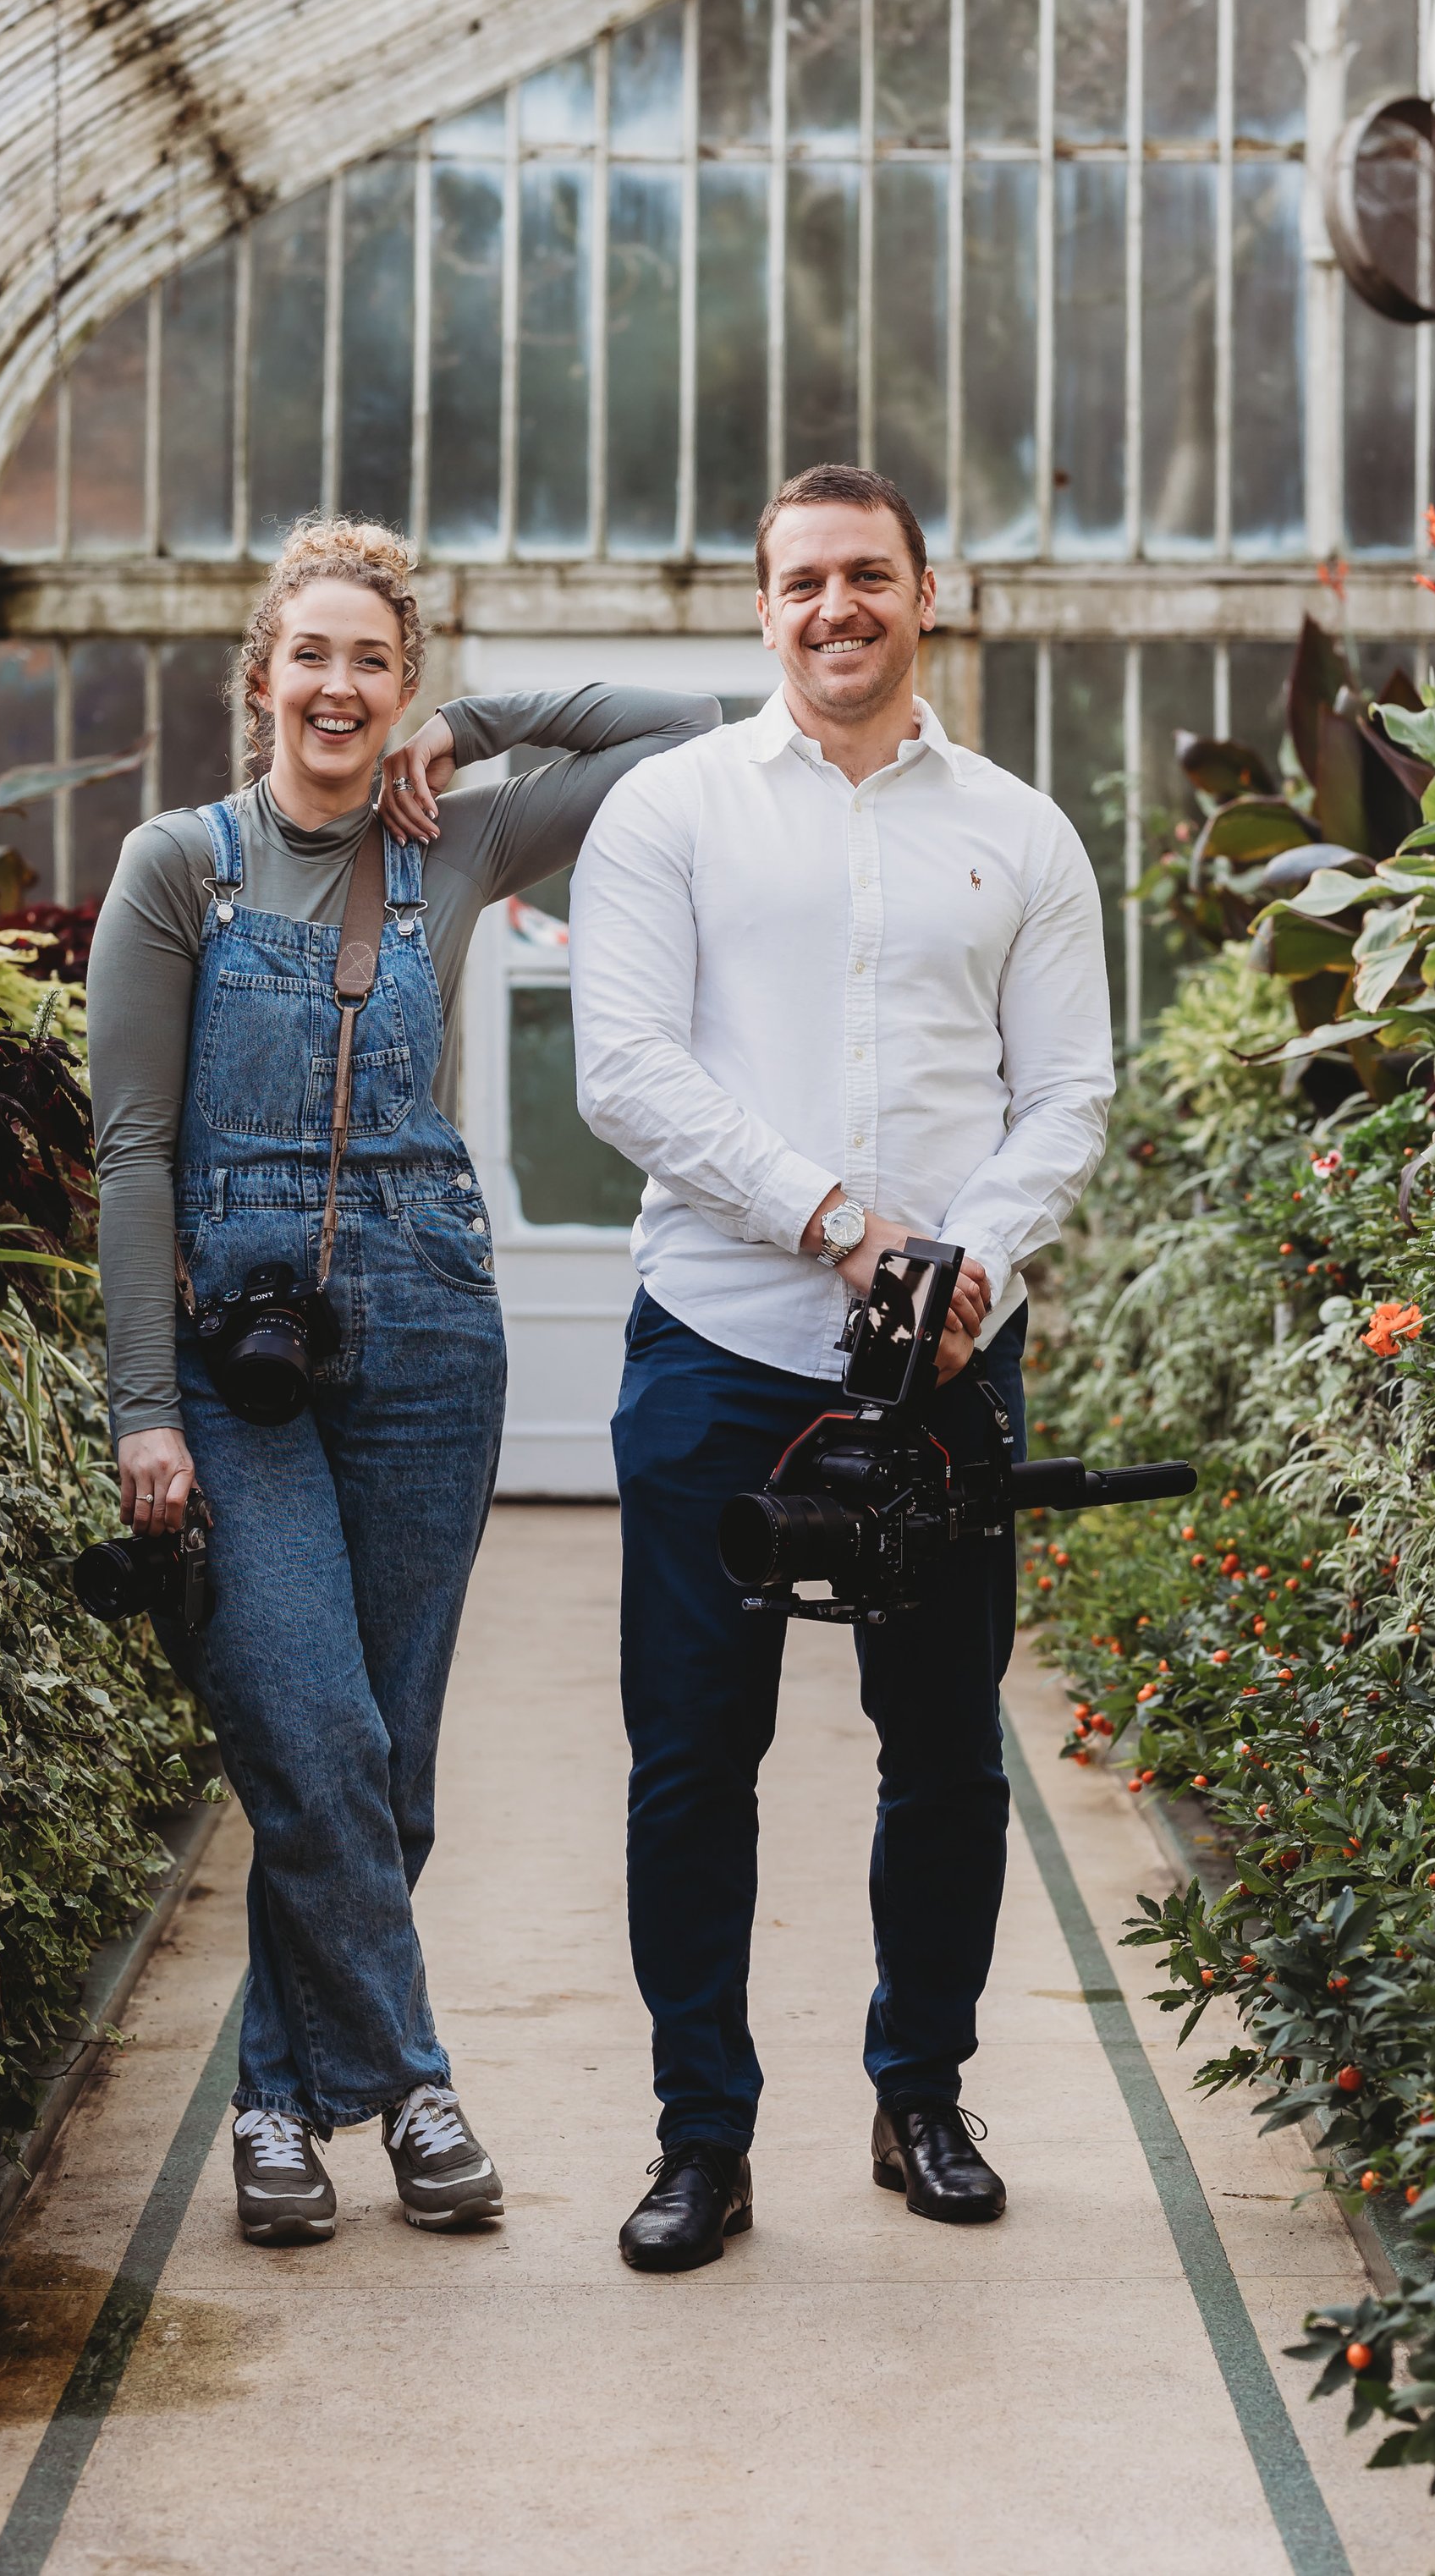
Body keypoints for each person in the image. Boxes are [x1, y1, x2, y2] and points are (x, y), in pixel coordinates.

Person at [86, 515, 717, 2248]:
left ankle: (279, 2115)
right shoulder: (177, 869)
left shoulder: (463, 834)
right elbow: (132, 1155)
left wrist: (490, 722)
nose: (339, 686)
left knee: (396, 1757)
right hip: (235, 1347)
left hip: (430, 1324)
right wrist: (142, 1408)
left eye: (374, 660)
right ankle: (416, 2083)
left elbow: (688, 733)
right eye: (312, 656)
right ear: (261, 681)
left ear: (401, 687)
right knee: (315, 1732)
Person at [569, 463, 1113, 2272]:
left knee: (946, 1753)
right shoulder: (670, 814)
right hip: (723, 1350)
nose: (835, 610)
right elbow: (625, 1074)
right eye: (801, 580)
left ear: (924, 595)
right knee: (688, 1761)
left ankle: (921, 2091)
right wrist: (845, 1230)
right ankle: (698, 2139)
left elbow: (1064, 1097)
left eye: (866, 577)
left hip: (951, 1370)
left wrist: (970, 1266)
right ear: (758, 605)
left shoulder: (1018, 832)